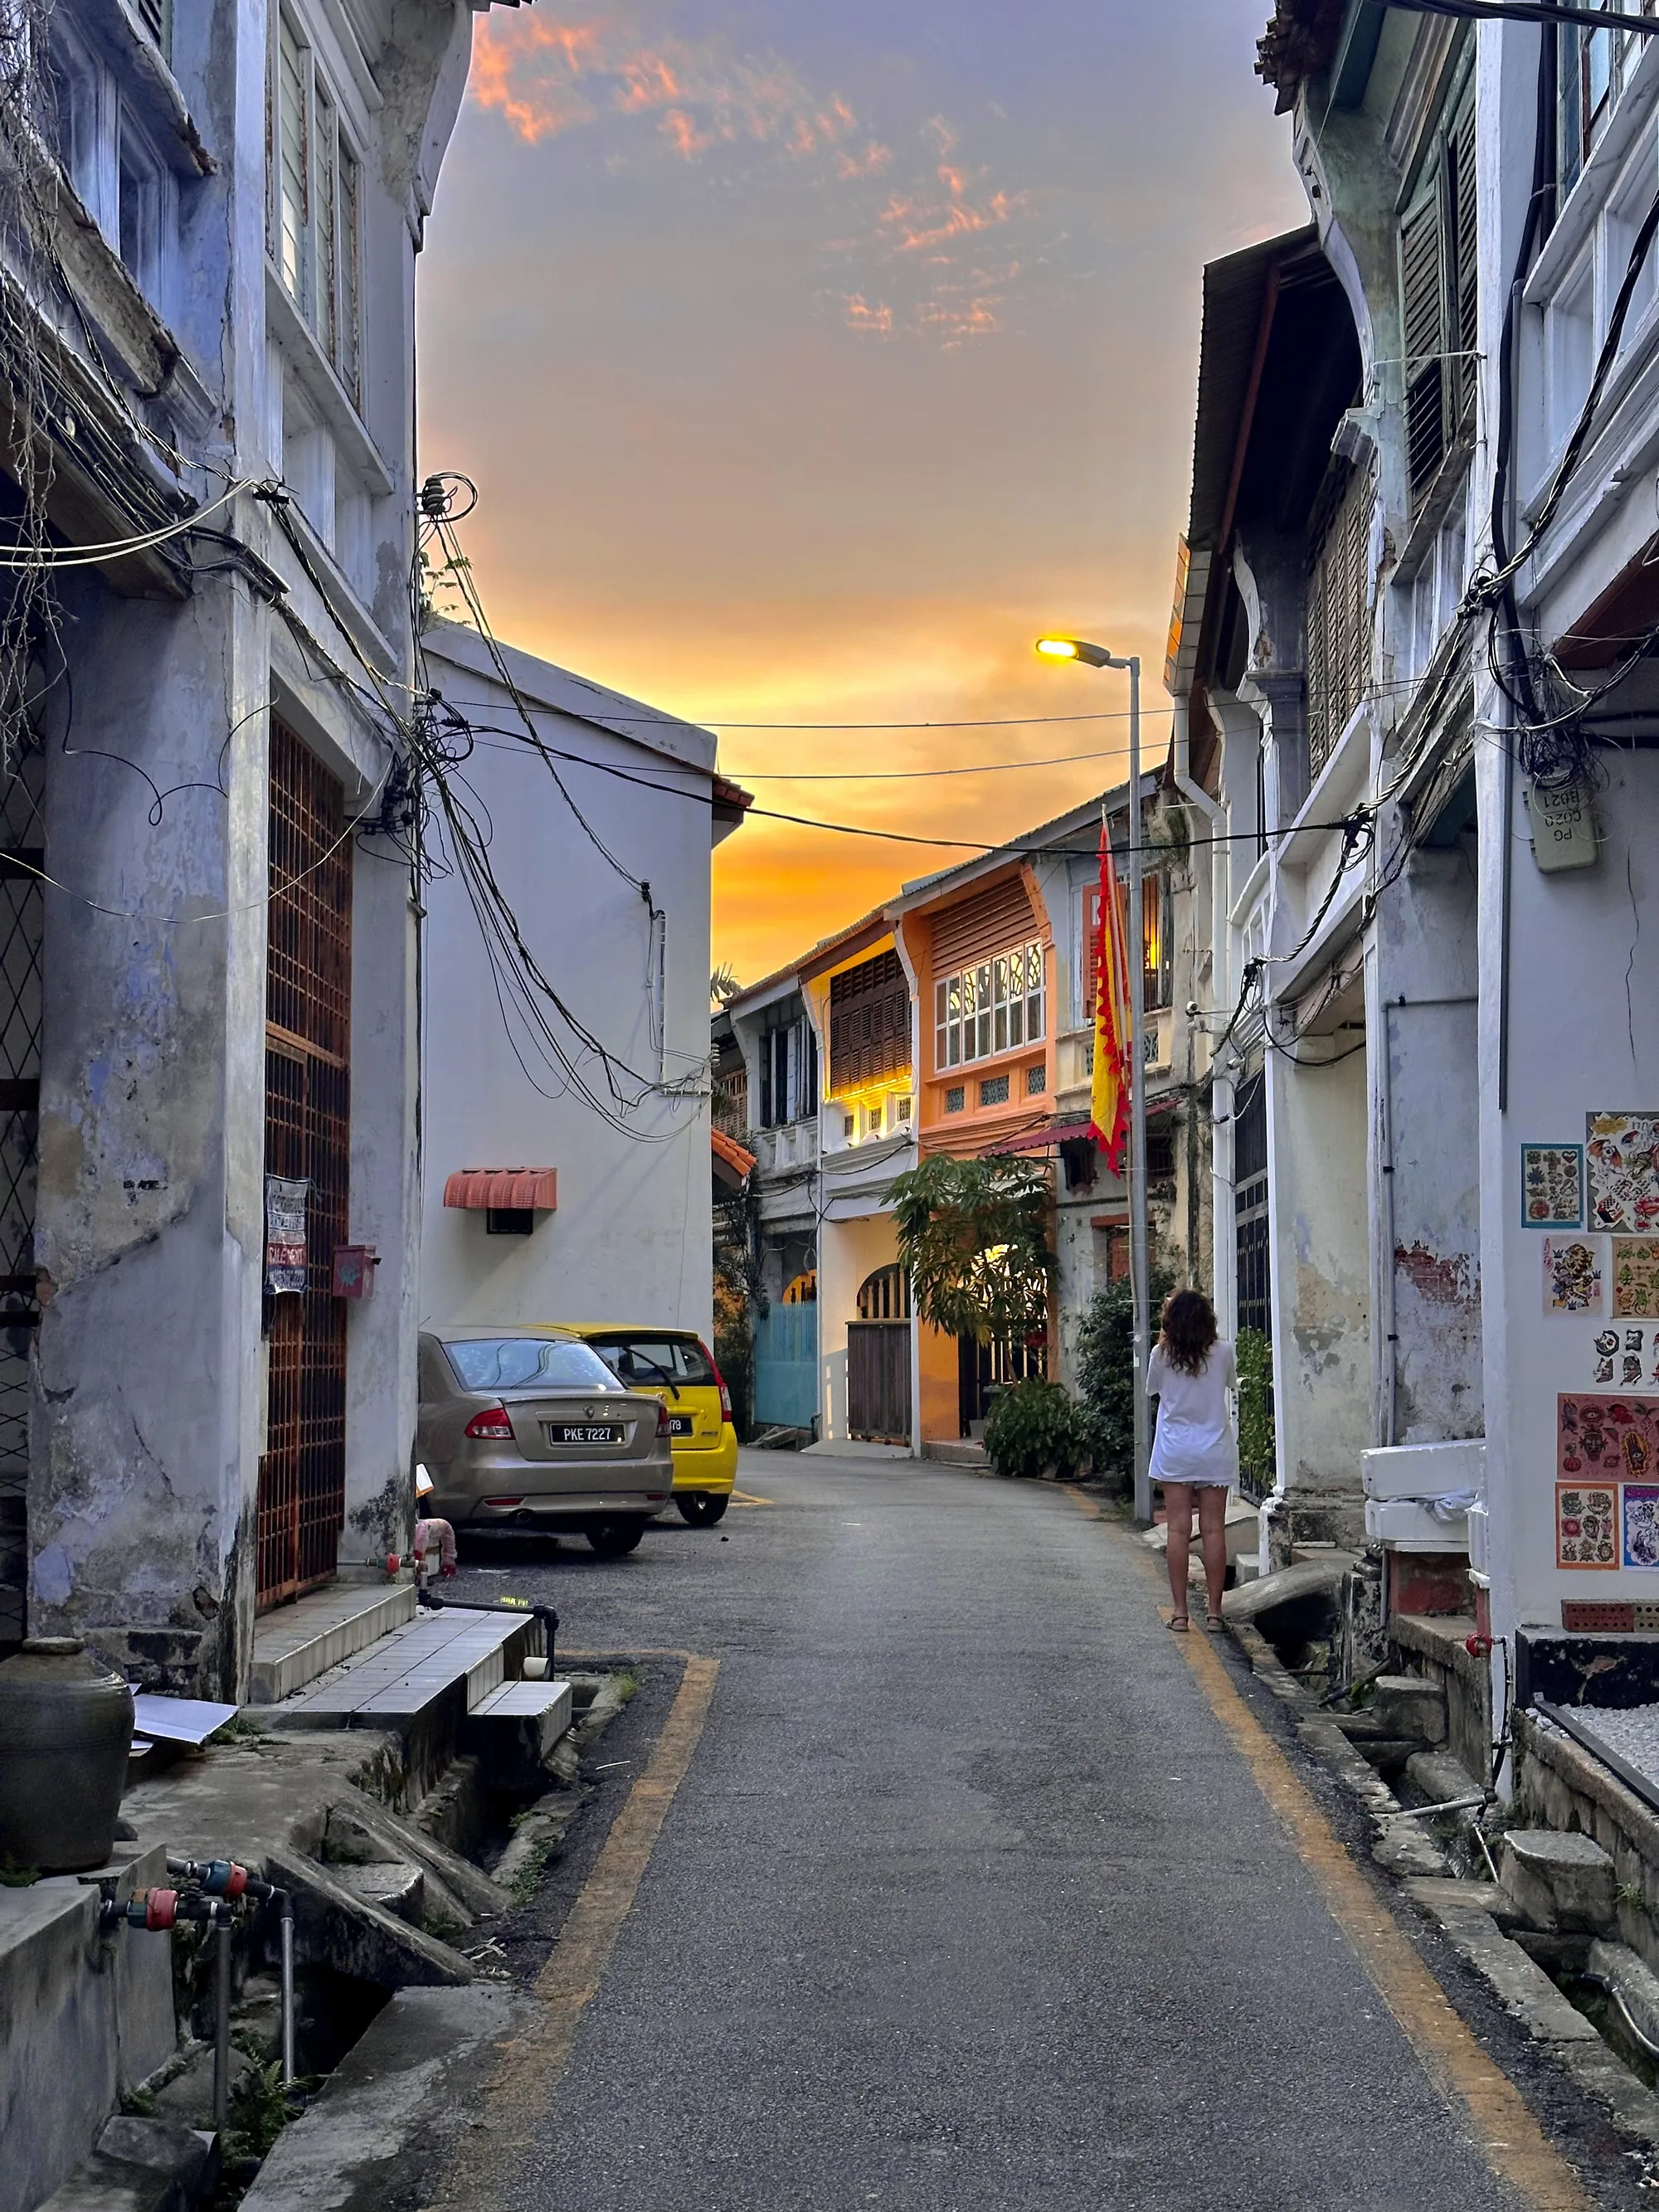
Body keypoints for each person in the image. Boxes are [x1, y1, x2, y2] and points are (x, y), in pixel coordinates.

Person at [1146, 1288, 1237, 1632]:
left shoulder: (1161, 1354)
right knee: (1213, 1528)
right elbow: (1228, 1383)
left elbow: (1154, 1390)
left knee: (1178, 1530)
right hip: (1214, 1448)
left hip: (1175, 1449)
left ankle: (1181, 1613)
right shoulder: (1223, 1351)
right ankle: (1214, 1613)